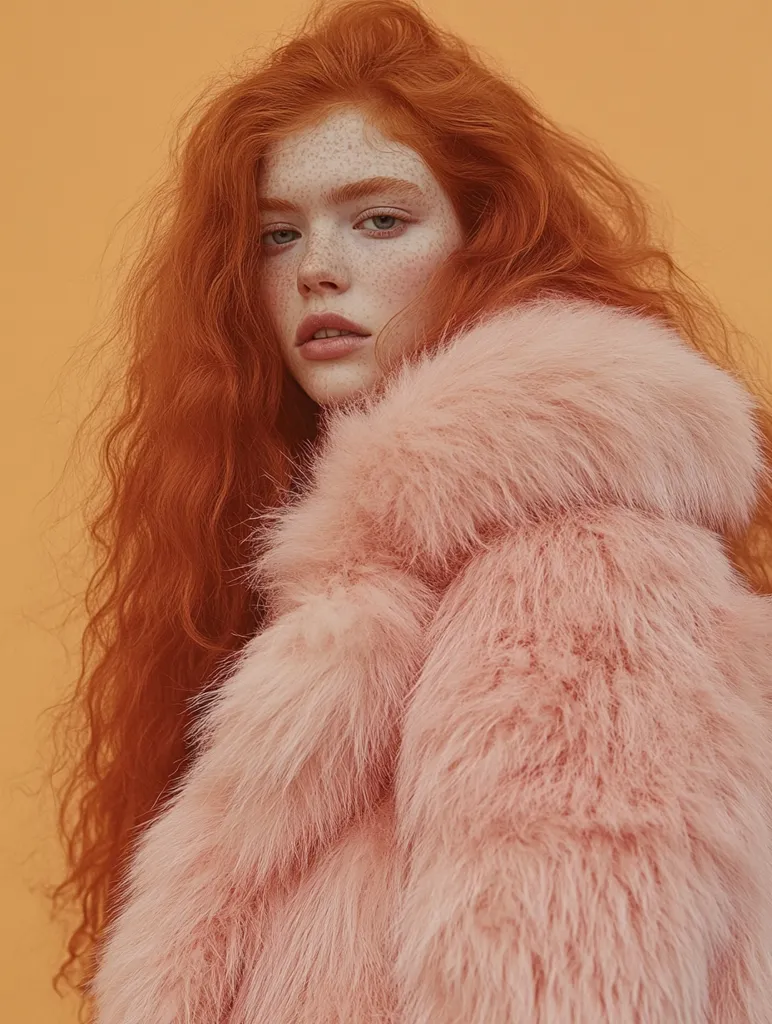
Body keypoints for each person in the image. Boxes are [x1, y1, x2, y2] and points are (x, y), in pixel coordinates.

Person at [49, 0, 772, 1020]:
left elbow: (566, 989)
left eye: (379, 219)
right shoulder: (363, 581)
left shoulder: (575, 568)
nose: (317, 268)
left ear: (487, 244)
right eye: (276, 234)